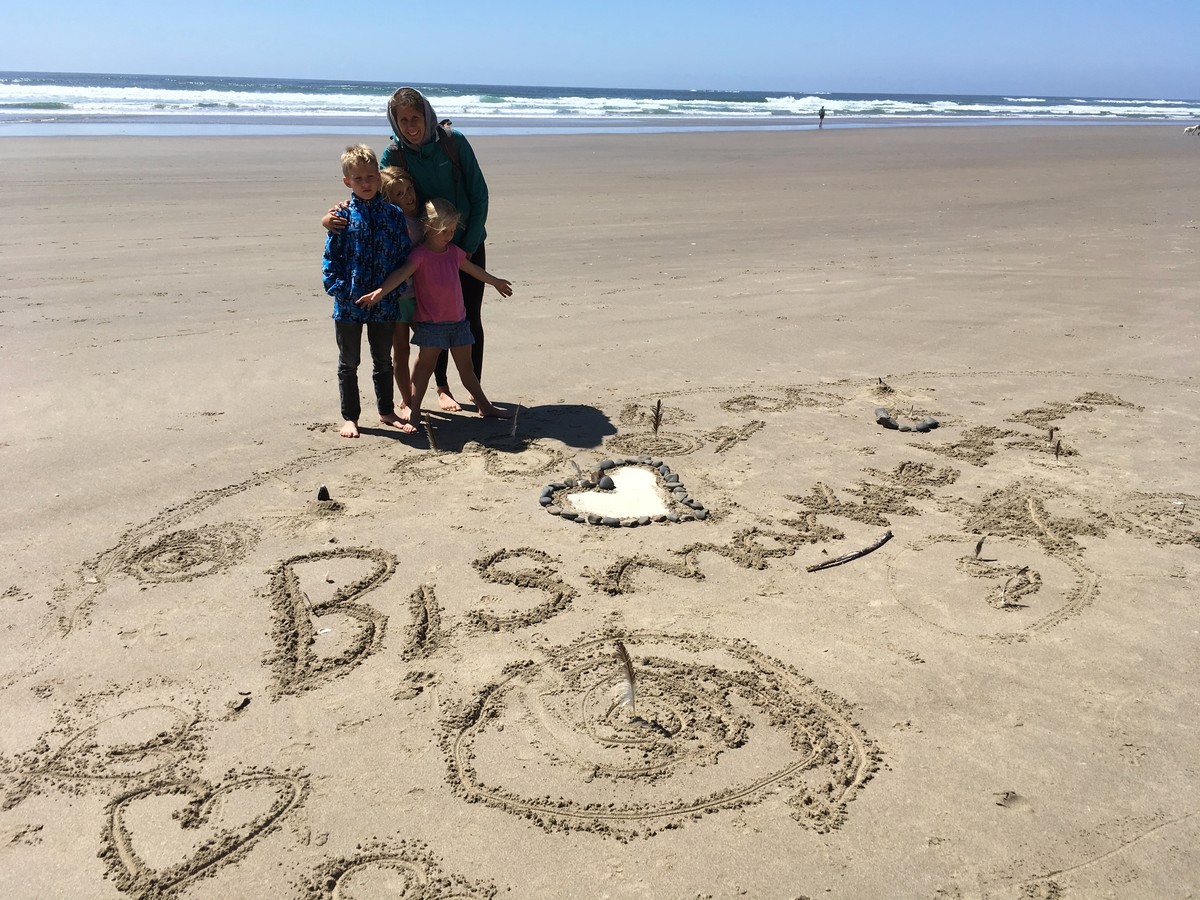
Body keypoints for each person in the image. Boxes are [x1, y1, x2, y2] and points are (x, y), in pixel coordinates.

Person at [381, 87, 492, 414]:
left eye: (416, 118)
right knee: (434, 319)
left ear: (426, 115)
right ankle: (443, 388)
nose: (411, 126)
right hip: (427, 252)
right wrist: (342, 212)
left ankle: (475, 385)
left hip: (466, 244)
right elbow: (379, 195)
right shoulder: (395, 154)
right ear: (395, 122)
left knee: (469, 316)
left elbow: (480, 196)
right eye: (403, 120)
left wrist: (468, 246)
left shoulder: (453, 142)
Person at [359, 199, 512, 432]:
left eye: (452, 231)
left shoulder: (454, 253)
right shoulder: (419, 255)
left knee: (466, 369)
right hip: (431, 325)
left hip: (459, 322)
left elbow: (474, 271)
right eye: (444, 231)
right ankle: (415, 410)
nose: (449, 236)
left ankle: (484, 405)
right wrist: (380, 292)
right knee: (424, 370)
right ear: (428, 228)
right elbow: (401, 274)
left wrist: (495, 282)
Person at [322, 144, 414, 438]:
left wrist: (392, 291)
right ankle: (350, 417)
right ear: (347, 181)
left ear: (378, 177)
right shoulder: (342, 215)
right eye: (358, 178)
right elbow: (330, 258)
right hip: (348, 305)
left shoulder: (393, 215)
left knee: (382, 360)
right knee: (349, 362)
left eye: (371, 177)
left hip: (384, 304)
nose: (365, 183)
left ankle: (386, 410)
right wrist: (340, 290)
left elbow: (403, 256)